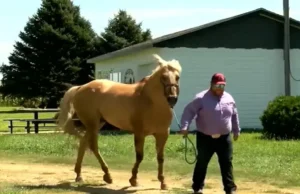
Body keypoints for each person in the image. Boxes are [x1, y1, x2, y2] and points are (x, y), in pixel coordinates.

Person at [180, 73, 240, 194]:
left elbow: (234, 115)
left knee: (226, 162)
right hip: (205, 138)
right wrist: (185, 126)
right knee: (202, 162)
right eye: (217, 86)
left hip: (224, 138)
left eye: (222, 86)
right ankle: (197, 188)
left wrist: (236, 130)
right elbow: (189, 111)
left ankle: (230, 189)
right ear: (211, 84)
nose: (220, 89)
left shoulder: (229, 98)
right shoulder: (200, 98)